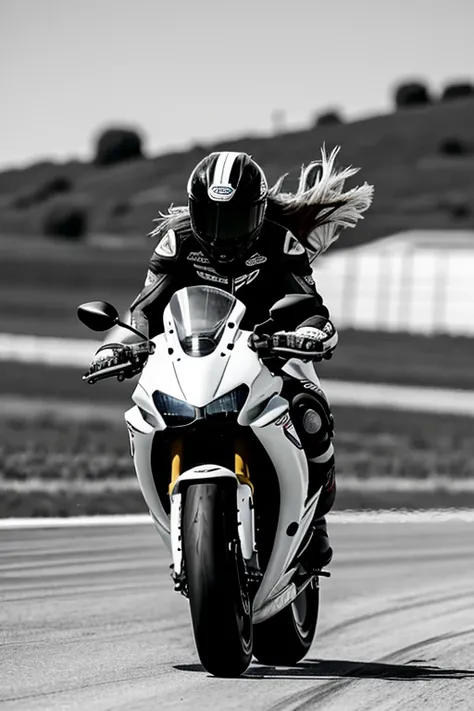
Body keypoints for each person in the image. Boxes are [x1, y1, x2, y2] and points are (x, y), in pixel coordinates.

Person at [86, 147, 374, 570]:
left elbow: (312, 304)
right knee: (145, 412)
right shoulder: (178, 240)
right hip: (194, 350)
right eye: (211, 218)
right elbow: (145, 308)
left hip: (271, 349)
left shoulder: (281, 241)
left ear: (257, 213)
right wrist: (120, 346)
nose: (222, 233)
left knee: (310, 411)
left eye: (235, 219)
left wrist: (310, 331)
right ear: (193, 212)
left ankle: (316, 520)